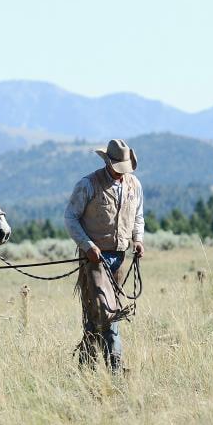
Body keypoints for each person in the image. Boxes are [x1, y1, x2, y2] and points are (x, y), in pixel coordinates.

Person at [63, 139, 145, 372]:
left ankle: (86, 366)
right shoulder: (87, 184)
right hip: (94, 259)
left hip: (119, 258)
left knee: (96, 313)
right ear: (108, 162)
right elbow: (70, 218)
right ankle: (116, 367)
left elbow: (138, 216)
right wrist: (88, 245)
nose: (121, 173)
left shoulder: (134, 185)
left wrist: (137, 239)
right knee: (108, 311)